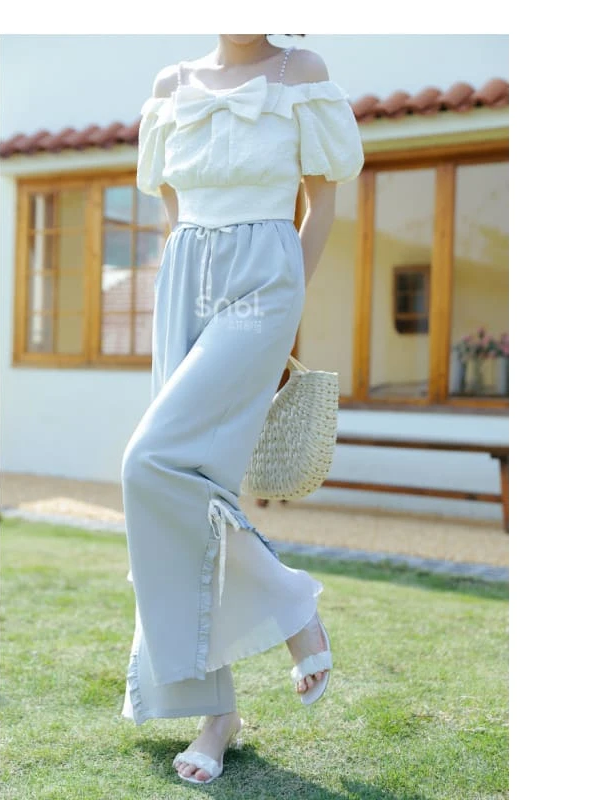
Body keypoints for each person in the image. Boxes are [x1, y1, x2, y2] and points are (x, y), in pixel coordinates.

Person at [120, 34, 364, 785]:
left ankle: (290, 602)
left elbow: (322, 202)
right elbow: (171, 205)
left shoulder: (301, 72)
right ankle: (216, 715)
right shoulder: (170, 83)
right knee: (184, 488)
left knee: (147, 463)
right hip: (185, 278)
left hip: (265, 281)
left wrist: (285, 304)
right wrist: (192, 271)